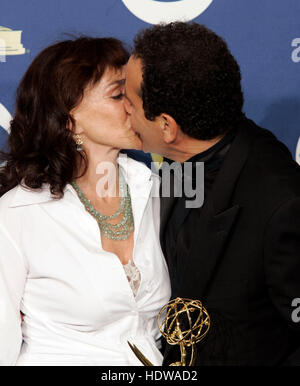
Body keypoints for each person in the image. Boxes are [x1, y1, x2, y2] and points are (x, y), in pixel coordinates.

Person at [124, 22, 300, 365]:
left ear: (166, 126)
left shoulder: (283, 203)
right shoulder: (180, 158)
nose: (124, 111)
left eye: (128, 100)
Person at [0, 37, 171, 366]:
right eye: (118, 94)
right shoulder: (17, 214)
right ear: (69, 120)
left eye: (135, 92)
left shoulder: (152, 190)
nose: (135, 105)